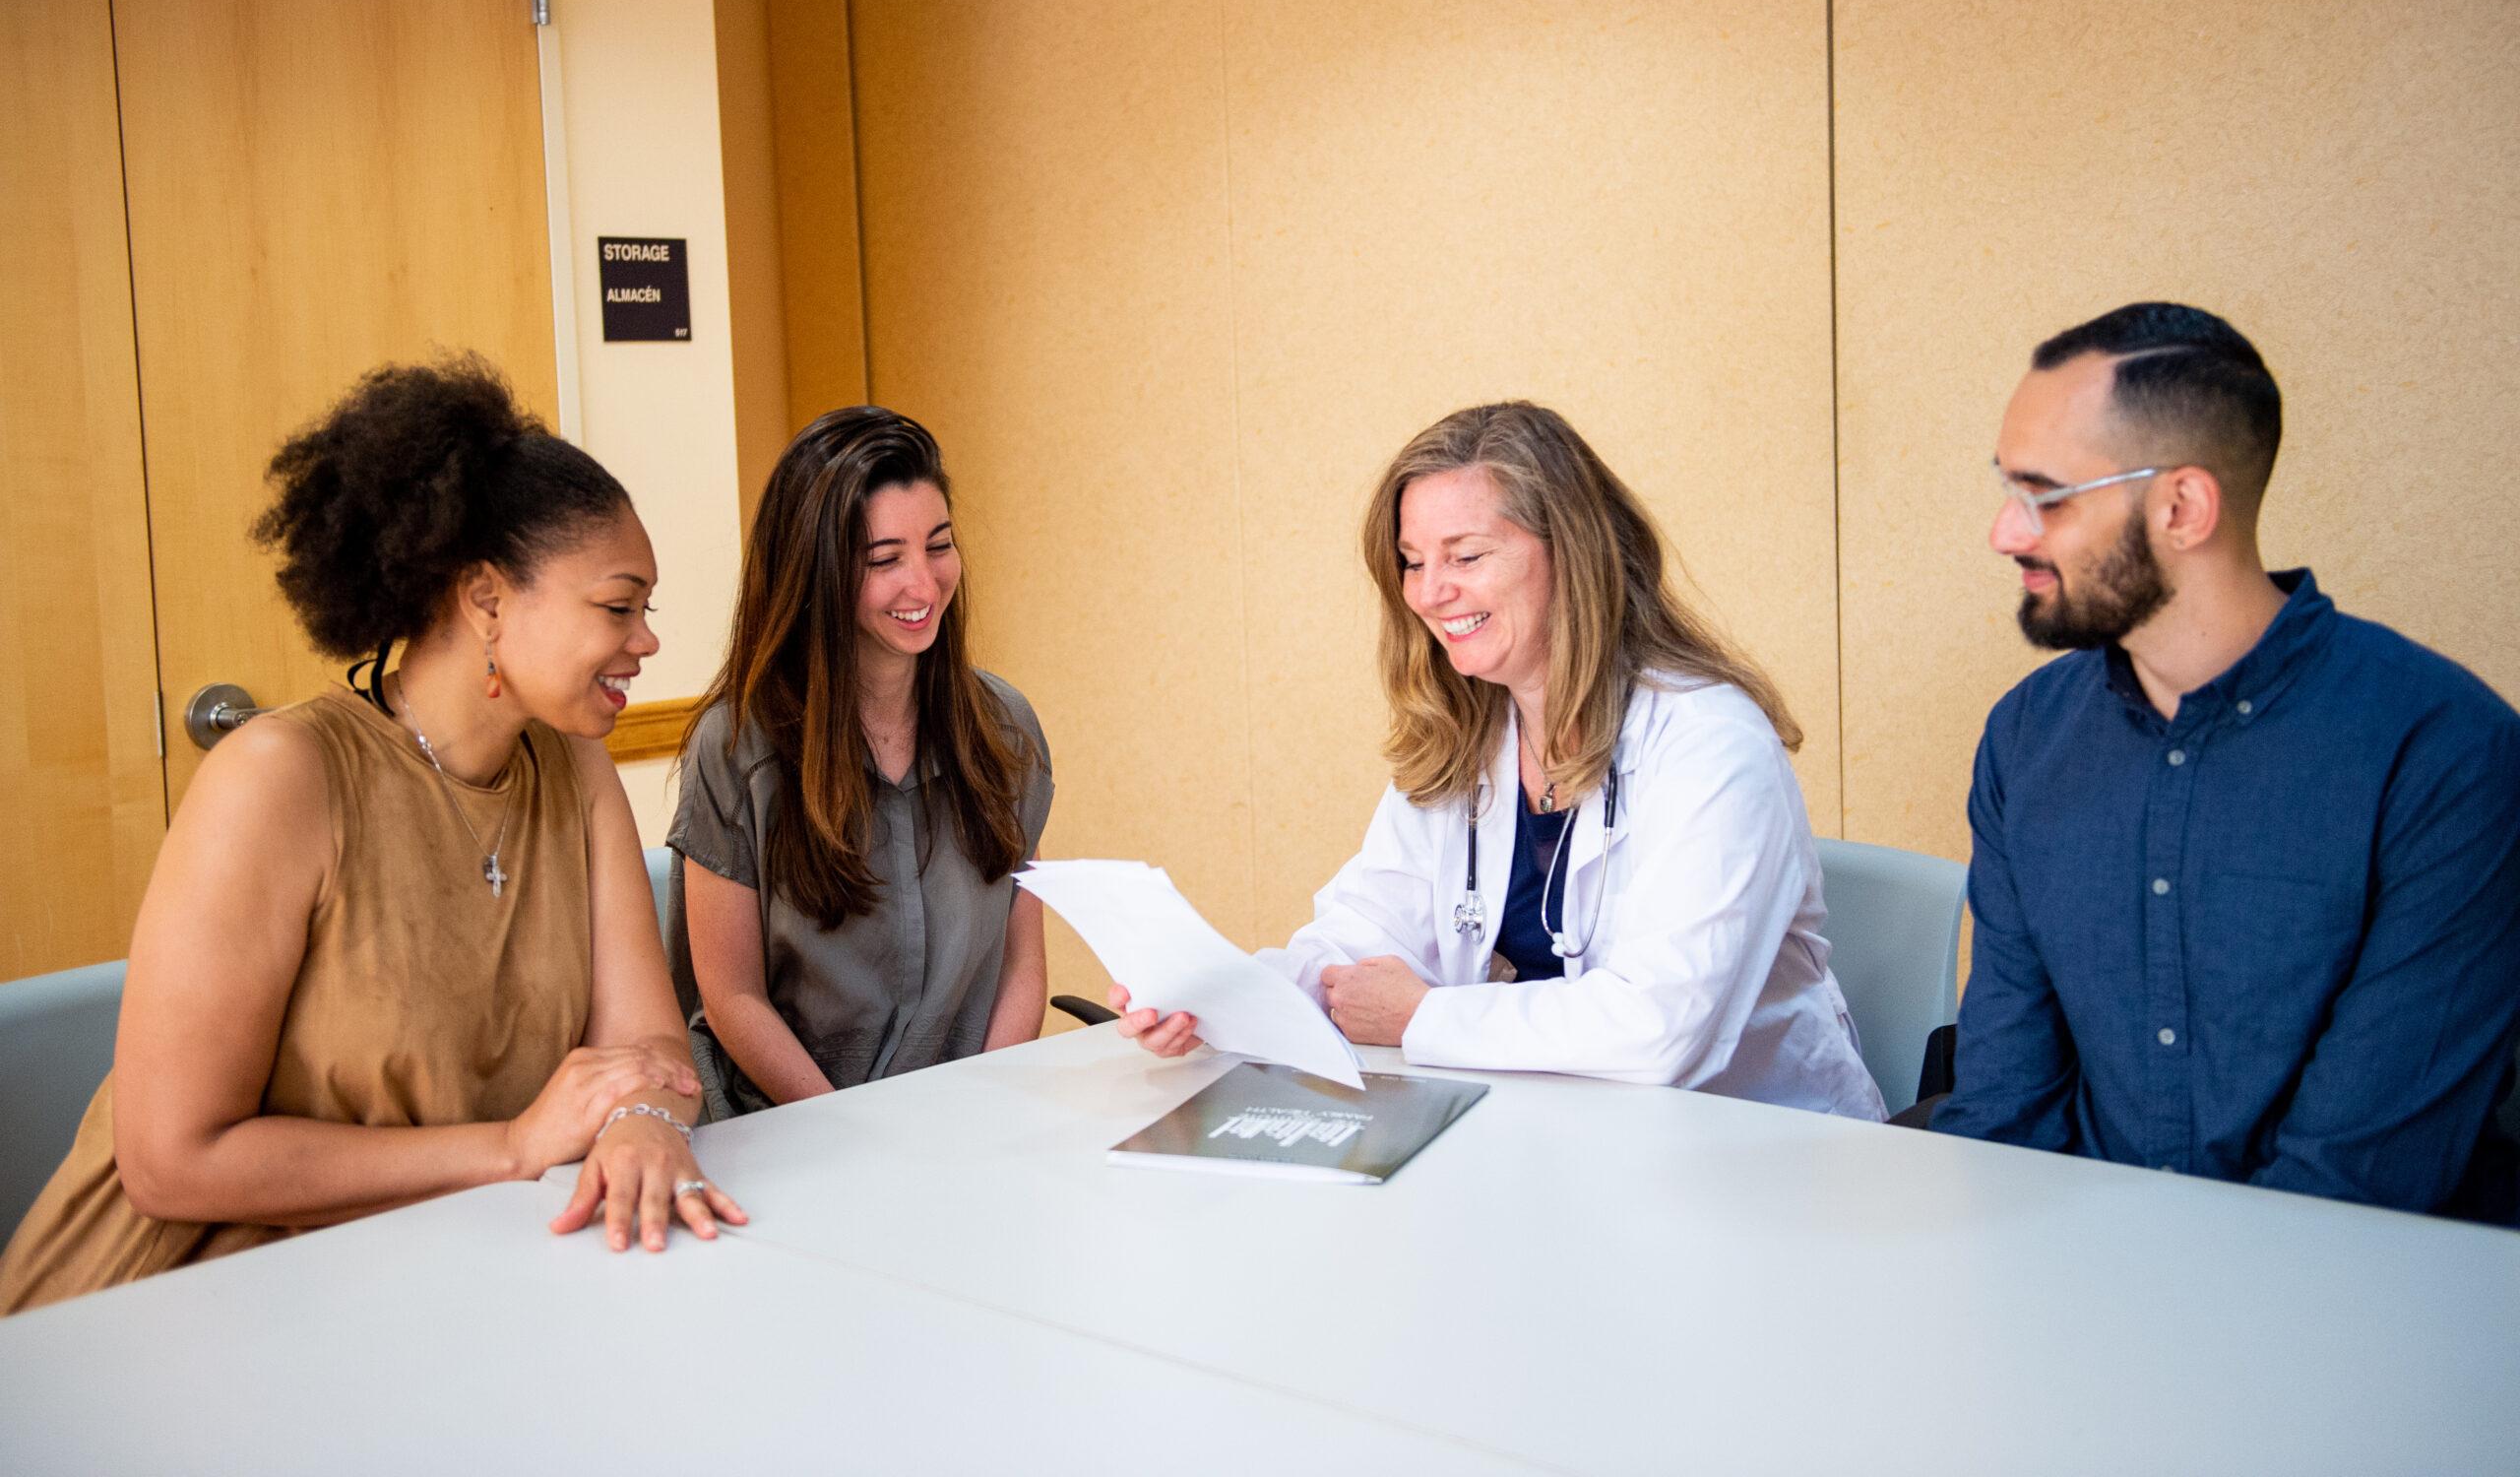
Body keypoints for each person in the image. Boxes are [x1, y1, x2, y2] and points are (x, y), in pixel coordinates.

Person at [0, 360, 744, 1316]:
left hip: (422, 1273)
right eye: (616, 606)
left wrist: (642, 1124)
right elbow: (172, 1165)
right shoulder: (279, 778)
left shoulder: (573, 765)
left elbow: (644, 1047)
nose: (645, 641)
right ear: (484, 599)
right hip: (170, 1308)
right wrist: (516, 1146)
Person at [1927, 301, 2520, 1220]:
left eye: (2044, 496)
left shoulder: (2446, 753)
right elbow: (2004, 1111)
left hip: (2347, 1306)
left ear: (2183, 506)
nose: (2006, 534)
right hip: (2078, 1275)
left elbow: (2354, 1186)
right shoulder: (2026, 737)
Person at [1116, 402, 1882, 1113]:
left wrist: (1422, 1016)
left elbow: (1659, 1030)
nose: (1429, 593)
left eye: (1466, 555)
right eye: (1413, 562)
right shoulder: (1468, 738)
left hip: (1760, 1159)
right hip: (1573, 1145)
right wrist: (1223, 995)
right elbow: (1361, 939)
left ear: (1573, 554)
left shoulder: (1709, 742)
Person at [666, 408, 1052, 1117]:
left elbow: (1021, 965)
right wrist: (852, 1133)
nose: (924, 585)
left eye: (938, 546)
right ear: (816, 574)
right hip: (793, 1132)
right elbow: (732, 997)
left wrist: (989, 1106)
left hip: (961, 1128)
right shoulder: (735, 750)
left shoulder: (1005, 731)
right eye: (884, 560)